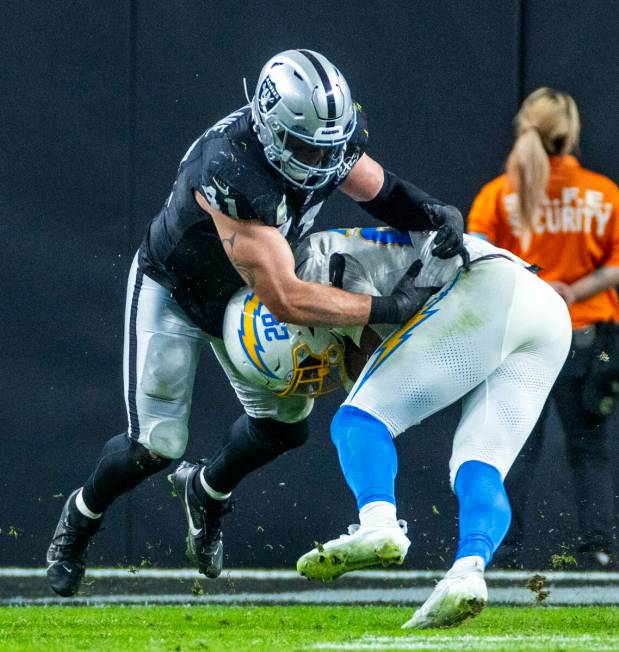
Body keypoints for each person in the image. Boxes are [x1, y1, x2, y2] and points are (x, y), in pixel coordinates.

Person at [46, 49, 466, 597]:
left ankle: (207, 489)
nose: (319, 160)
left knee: (285, 427)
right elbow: (288, 297)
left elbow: (379, 191)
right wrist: (390, 310)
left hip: (245, 296)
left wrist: (437, 213)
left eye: (328, 146)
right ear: (268, 126)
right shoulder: (230, 170)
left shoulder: (323, 140)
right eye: (303, 147)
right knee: (156, 443)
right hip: (178, 291)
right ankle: (78, 521)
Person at [292, 226, 571, 629]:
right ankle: (467, 573)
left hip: (488, 287)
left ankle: (378, 523)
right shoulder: (342, 247)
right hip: (546, 310)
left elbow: (373, 322)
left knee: (359, 418)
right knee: (480, 463)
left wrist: (344, 363)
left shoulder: (317, 258)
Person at [467, 87, 619, 568]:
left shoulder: (498, 195)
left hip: (518, 339)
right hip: (585, 336)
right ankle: (597, 551)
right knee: (589, 448)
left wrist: (535, 286)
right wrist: (573, 290)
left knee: (509, 447)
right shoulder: (602, 193)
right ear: (571, 133)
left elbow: (476, 262)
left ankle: (499, 550)